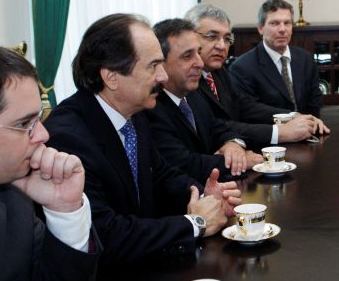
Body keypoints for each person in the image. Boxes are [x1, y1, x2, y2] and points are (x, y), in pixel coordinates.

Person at [44, 14, 241, 267]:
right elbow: (104, 234)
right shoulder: (67, 138)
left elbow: (161, 176)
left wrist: (206, 196)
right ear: (111, 77)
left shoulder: (133, 112)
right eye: (153, 66)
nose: (163, 76)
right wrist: (195, 224)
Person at [0, 46, 98, 280]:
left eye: (38, 120)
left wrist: (65, 209)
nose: (44, 135)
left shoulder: (16, 202)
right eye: (24, 124)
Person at [185, 3, 326, 148]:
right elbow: (214, 125)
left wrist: (293, 116)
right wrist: (280, 132)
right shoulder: (186, 78)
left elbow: (243, 106)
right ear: (189, 37)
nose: (221, 46)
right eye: (212, 36)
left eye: (227, 38)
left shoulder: (218, 71)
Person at [145, 18, 263, 183]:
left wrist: (233, 144)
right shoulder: (151, 108)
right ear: (161, 64)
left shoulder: (193, 95)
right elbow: (183, 163)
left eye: (198, 53)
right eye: (187, 56)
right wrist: (240, 161)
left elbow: (220, 129)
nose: (200, 63)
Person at [229, 0, 330, 133]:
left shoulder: (305, 59)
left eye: (287, 23)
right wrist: (292, 117)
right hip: (270, 139)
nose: (282, 29)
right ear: (260, 28)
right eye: (274, 23)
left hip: (308, 134)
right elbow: (249, 110)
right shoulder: (242, 67)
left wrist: (313, 122)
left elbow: (315, 101)